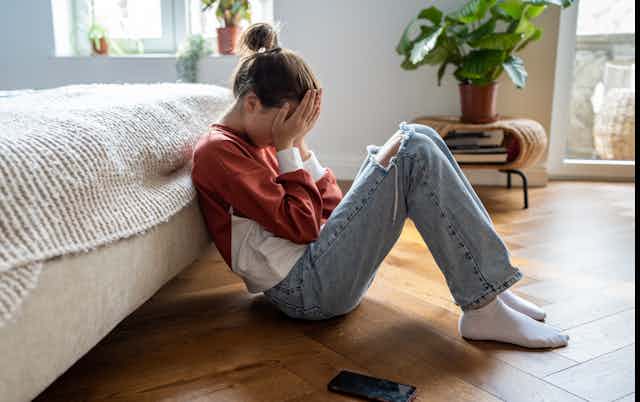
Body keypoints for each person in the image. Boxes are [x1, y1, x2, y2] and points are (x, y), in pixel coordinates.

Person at [191, 23, 569, 349]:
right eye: (289, 120)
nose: (288, 132)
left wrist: (299, 145)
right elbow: (303, 227)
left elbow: (330, 210)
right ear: (252, 104)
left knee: (417, 137)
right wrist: (288, 146)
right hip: (304, 291)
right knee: (414, 148)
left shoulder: (262, 139)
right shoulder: (221, 152)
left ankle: (490, 290)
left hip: (317, 270)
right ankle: (484, 307)